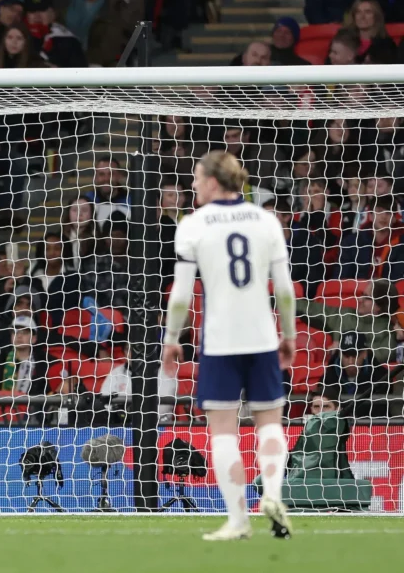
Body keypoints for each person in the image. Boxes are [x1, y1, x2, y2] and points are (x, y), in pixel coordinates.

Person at [162, 151, 295, 541]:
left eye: (197, 178)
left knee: (223, 431)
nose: (193, 184)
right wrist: (288, 335)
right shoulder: (266, 220)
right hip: (261, 337)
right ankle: (271, 494)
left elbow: (181, 295)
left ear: (215, 182)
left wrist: (171, 339)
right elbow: (284, 290)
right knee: (269, 421)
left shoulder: (192, 225)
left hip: (219, 341)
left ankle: (239, 521)